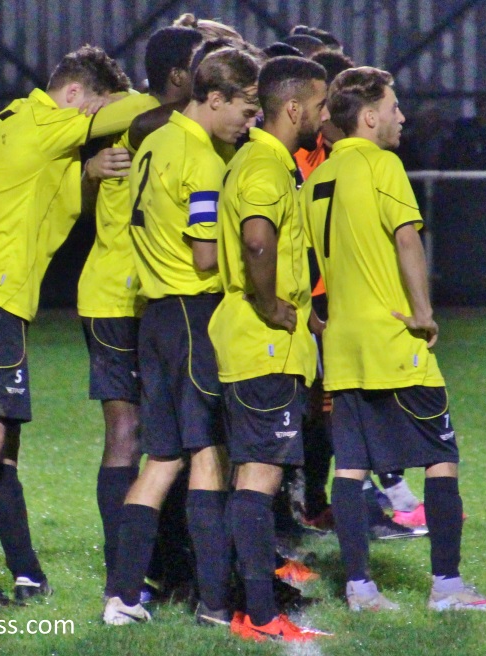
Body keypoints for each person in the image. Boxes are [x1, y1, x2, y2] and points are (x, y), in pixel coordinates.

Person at [0, 45, 155, 609]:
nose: (95, 121)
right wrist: (149, 93)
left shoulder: (18, 122)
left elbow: (37, 191)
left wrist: (87, 170)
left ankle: (28, 573)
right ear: (74, 94)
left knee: (3, 446)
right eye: (93, 108)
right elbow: (139, 109)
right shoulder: (46, 121)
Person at [302, 66, 486, 612]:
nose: (401, 117)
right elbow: (406, 239)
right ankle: (447, 587)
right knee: (441, 456)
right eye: (394, 107)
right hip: (392, 336)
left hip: (342, 342)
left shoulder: (318, 178)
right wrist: (422, 312)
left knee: (351, 465)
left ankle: (359, 588)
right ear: (370, 117)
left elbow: (308, 260)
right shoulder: (382, 164)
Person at [102, 47, 261, 627]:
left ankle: (122, 597)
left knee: (160, 459)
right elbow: (204, 256)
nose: (249, 122)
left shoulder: (155, 141)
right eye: (245, 109)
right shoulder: (202, 160)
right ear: (215, 98)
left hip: (154, 317)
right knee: (206, 454)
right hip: (194, 315)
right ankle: (215, 603)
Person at [77, 25, 203, 602]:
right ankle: (123, 573)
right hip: (117, 296)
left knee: (168, 438)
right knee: (129, 435)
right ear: (179, 77)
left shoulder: (156, 121)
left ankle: (165, 564)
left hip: (150, 297)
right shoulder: (143, 119)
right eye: (201, 65)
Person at [208, 56, 332, 642]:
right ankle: (259, 616)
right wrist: (269, 304)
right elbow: (257, 240)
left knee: (252, 479)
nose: (325, 117)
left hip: (259, 346)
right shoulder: (264, 165)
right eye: (320, 105)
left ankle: (251, 606)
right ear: (294, 108)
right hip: (262, 347)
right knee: (257, 481)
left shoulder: (263, 160)